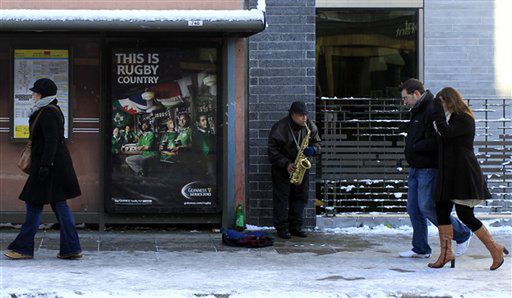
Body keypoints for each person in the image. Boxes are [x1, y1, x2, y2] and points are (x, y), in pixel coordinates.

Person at [428, 87, 509, 270]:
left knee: (465, 215)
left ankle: (495, 249)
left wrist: (438, 115)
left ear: (450, 100)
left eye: (442, 103)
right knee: (441, 210)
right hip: (448, 173)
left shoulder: (464, 118)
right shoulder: (450, 118)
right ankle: (446, 252)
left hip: (463, 173)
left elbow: (447, 134)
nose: (440, 108)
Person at [4, 78, 82, 260]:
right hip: (56, 166)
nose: (32, 95)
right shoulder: (52, 109)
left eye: (35, 92)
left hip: (48, 167)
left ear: (42, 94)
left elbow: (52, 141)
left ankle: (22, 248)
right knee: (59, 204)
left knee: (33, 204)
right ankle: (71, 248)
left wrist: (45, 166)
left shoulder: (47, 112)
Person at [399, 79, 471, 258]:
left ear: (416, 93)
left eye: (405, 97)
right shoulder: (417, 110)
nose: (404, 102)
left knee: (427, 207)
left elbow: (438, 139)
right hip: (416, 167)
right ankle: (421, 248)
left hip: (428, 168)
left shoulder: (432, 108)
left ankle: (462, 234)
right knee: (414, 209)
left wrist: (416, 146)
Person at [268, 101, 321, 239]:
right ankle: (282, 228)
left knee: (300, 198)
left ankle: (296, 227)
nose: (304, 118)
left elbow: (317, 143)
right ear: (292, 114)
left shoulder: (309, 125)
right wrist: (286, 164)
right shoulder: (279, 127)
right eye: (300, 115)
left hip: (301, 168)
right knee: (282, 200)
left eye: (305, 115)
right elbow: (272, 151)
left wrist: (313, 149)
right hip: (282, 170)